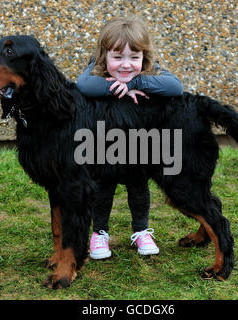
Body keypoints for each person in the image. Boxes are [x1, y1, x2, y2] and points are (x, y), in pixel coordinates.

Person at [76, 16, 183, 260]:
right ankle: (99, 233)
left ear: (144, 56)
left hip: (138, 146)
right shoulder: (95, 71)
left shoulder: (149, 71)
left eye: (134, 58)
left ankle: (141, 230)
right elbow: (83, 85)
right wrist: (113, 87)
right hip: (104, 146)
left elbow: (176, 86)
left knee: (139, 189)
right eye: (117, 57)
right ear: (105, 56)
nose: (126, 65)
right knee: (103, 189)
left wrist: (137, 82)